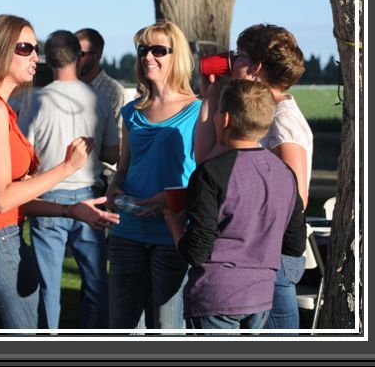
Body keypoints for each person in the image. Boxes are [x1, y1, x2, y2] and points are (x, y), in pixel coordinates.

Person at [0, 15, 119, 329]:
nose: (35, 56)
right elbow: (2, 197)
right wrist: (67, 167)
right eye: (25, 48)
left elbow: (6, 195)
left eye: (36, 48)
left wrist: (69, 210)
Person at [194, 23, 313, 330]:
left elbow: (297, 196)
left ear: (256, 67)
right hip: (256, 254)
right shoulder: (252, 112)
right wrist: (210, 97)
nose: (232, 60)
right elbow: (205, 156)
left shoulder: (282, 120)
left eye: (239, 56)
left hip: (270, 255)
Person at [164, 79, 306, 330]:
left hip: (215, 296)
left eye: (217, 112)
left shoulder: (210, 174)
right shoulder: (284, 173)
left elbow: (196, 252)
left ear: (225, 119)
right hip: (261, 298)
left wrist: (175, 226)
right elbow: (294, 245)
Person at [18, 30, 119, 329]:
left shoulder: (35, 100)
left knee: (47, 285)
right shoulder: (98, 98)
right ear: (78, 57)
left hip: (47, 196)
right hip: (90, 195)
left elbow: (23, 153)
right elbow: (112, 153)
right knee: (96, 282)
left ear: (48, 60)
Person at [105, 20, 201, 329]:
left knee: (167, 329)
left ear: (177, 57)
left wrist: (172, 200)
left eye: (158, 50)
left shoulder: (198, 111)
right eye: (143, 49)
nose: (148, 56)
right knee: (122, 327)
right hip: (128, 230)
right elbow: (124, 167)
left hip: (172, 232)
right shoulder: (132, 111)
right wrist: (113, 188)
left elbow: (209, 179)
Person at [75, 28, 126, 189]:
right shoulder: (67, 87)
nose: (74, 58)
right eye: (72, 52)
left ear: (97, 55)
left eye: (80, 53)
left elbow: (118, 147)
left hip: (100, 177)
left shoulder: (115, 92)